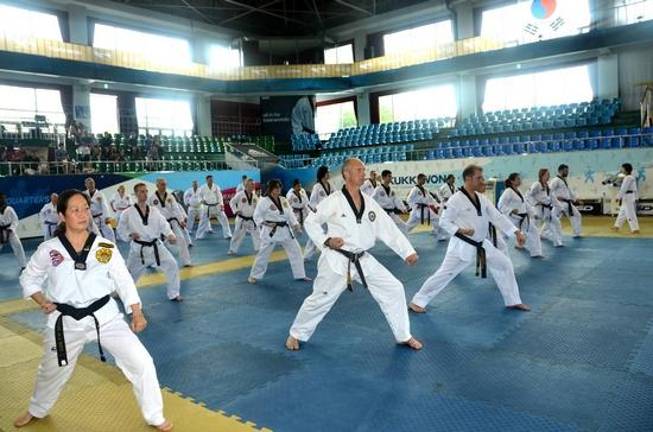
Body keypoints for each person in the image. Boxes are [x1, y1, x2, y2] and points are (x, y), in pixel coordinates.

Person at [14, 189, 172, 431]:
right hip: (65, 321)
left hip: (105, 317)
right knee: (51, 371)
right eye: (75, 210)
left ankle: (154, 415)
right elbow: (29, 278)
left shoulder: (103, 247)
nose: (82, 214)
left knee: (142, 362)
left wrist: (136, 312)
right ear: (62, 216)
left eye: (85, 209)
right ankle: (37, 409)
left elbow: (123, 279)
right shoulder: (50, 249)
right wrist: (41, 299)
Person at [286, 158, 423, 351]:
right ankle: (296, 334)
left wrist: (407, 252)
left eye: (363, 169)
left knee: (394, 288)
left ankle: (403, 335)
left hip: (363, 258)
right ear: (346, 174)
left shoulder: (369, 202)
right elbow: (311, 222)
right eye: (359, 170)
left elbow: (387, 227)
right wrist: (326, 240)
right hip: (337, 259)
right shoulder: (333, 201)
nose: (363, 172)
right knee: (320, 299)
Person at [409, 165, 530, 314]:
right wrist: (460, 230)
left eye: (482, 178)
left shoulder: (482, 198)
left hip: (482, 244)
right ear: (468, 179)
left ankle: (513, 301)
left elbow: (497, 217)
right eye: (479, 178)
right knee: (445, 274)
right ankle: (418, 301)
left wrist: (516, 232)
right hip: (462, 245)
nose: (482, 181)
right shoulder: (456, 199)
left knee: (505, 265)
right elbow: (444, 221)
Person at [118, 183, 182, 302]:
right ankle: (120, 292)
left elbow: (164, 224)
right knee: (129, 275)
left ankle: (174, 293)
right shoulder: (127, 213)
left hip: (156, 247)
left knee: (172, 264)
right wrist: (129, 235)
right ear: (135, 194)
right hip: (138, 250)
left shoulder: (154, 211)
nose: (145, 194)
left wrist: (170, 234)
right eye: (142, 191)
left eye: (146, 191)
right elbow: (120, 229)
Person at [248, 179, 309, 284]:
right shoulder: (264, 201)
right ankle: (254, 275)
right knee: (263, 254)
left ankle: (300, 274)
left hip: (285, 230)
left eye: (280, 187)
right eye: (277, 187)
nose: (279, 189)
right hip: (271, 231)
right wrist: (265, 223)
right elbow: (256, 215)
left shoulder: (283, 200)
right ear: (271, 189)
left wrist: (296, 225)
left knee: (296, 250)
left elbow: (289, 214)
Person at [497, 173, 544, 258]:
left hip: (523, 218)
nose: (520, 180)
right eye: (518, 179)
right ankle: (498, 255)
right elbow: (500, 204)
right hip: (512, 218)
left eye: (520, 179)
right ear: (512, 181)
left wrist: (533, 214)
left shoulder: (518, 191)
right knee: (503, 237)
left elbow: (525, 204)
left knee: (534, 231)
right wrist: (511, 210)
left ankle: (536, 252)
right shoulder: (508, 191)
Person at [148, 178, 192, 267]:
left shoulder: (170, 196)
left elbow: (176, 209)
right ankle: (151, 262)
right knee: (154, 243)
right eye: (162, 184)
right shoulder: (152, 198)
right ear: (157, 185)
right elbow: (149, 212)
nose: (164, 186)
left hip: (172, 222)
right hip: (159, 224)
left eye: (165, 184)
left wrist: (181, 220)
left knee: (182, 240)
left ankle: (186, 261)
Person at [527, 169, 563, 247]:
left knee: (555, 223)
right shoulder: (537, 184)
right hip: (538, 209)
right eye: (547, 174)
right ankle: (522, 241)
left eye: (549, 174)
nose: (548, 176)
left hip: (547, 209)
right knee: (533, 226)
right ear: (542, 175)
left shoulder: (547, 186)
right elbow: (528, 195)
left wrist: (560, 207)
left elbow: (553, 198)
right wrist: (536, 202)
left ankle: (558, 242)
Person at [304, 166, 332, 260]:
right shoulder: (317, 186)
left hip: (329, 215)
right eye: (328, 172)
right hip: (319, 215)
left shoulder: (330, 185)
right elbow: (312, 201)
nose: (329, 174)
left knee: (330, 233)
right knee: (316, 234)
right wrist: (316, 211)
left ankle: (329, 253)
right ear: (323, 174)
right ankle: (307, 255)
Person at [228, 179, 260, 255]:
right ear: (246, 186)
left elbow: (258, 207)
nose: (253, 186)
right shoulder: (240, 194)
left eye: (253, 184)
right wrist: (235, 210)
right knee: (237, 235)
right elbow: (231, 202)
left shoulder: (255, 196)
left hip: (252, 219)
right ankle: (232, 250)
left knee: (257, 234)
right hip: (241, 219)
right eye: (251, 184)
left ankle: (258, 248)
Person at [550, 164, 582, 238]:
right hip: (560, 203)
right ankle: (543, 233)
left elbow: (569, 191)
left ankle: (576, 233)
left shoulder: (564, 180)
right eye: (566, 171)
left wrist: (576, 199)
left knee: (577, 215)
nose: (567, 172)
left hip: (567, 203)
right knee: (553, 218)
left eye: (567, 171)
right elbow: (549, 191)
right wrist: (555, 198)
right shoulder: (556, 180)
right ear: (561, 171)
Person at [196, 175, 232, 240]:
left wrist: (221, 205)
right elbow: (199, 196)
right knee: (203, 222)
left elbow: (220, 196)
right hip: (207, 207)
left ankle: (228, 234)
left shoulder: (216, 187)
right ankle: (199, 236)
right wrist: (201, 200)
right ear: (206, 180)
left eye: (212, 179)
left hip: (216, 206)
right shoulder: (202, 187)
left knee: (224, 220)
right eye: (210, 180)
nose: (211, 181)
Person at [0, 192, 27, 269]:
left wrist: (11, 229)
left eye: (2, 199)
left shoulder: (9, 209)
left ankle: (23, 265)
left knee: (18, 245)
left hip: (10, 231)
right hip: (0, 231)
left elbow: (15, 220)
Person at [83, 177, 116, 243]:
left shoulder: (100, 194)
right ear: (85, 185)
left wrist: (107, 217)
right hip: (91, 218)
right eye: (89, 183)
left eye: (92, 183)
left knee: (109, 232)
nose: (91, 185)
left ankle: (113, 246)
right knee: (93, 234)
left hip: (102, 216)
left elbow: (104, 205)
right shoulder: (84, 194)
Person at [612, 163, 640, 234]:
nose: (621, 169)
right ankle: (617, 226)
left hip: (628, 196)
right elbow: (623, 188)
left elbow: (623, 188)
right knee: (622, 212)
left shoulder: (628, 178)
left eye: (622, 168)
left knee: (630, 213)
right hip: (627, 196)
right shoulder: (627, 177)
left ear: (625, 169)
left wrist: (618, 197)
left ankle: (635, 229)